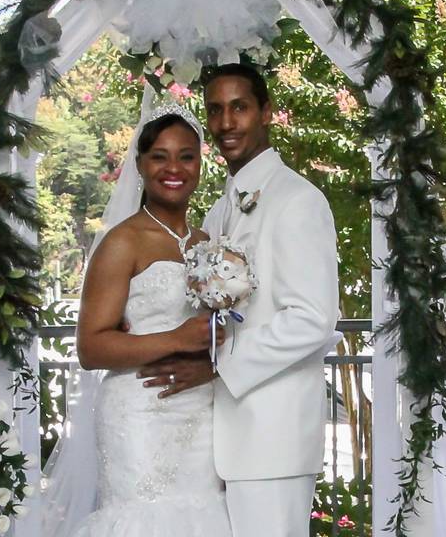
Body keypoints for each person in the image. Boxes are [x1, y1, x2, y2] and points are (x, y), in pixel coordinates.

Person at [138, 64, 340, 537]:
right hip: (221, 439)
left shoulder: (298, 201)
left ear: (266, 113)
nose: (226, 122)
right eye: (215, 109)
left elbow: (312, 319)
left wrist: (218, 369)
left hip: (273, 440)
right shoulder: (219, 207)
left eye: (239, 107)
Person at [42, 95, 233, 537]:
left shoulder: (208, 242)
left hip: (201, 414)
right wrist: (177, 338)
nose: (174, 168)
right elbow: (90, 347)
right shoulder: (122, 242)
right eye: (160, 157)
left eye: (187, 157)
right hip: (139, 414)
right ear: (141, 164)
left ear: (200, 165)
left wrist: (209, 356)